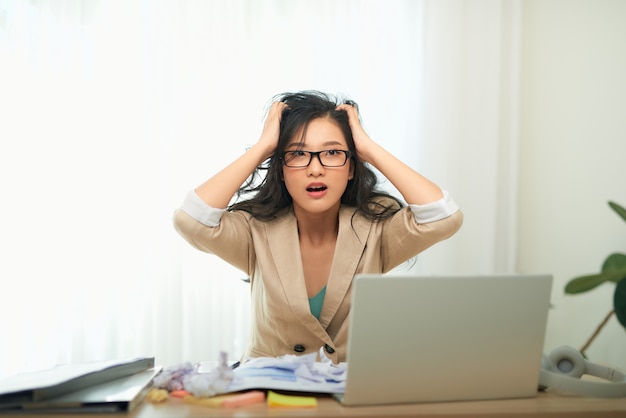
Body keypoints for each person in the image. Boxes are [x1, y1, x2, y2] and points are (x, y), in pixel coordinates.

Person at [173, 90, 463, 364]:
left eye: (333, 153)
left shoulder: (376, 229)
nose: (315, 168)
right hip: (268, 396)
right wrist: (263, 148)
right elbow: (191, 220)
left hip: (348, 397)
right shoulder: (255, 230)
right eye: (298, 154)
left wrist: (370, 149)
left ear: (352, 167)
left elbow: (443, 217)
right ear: (281, 169)